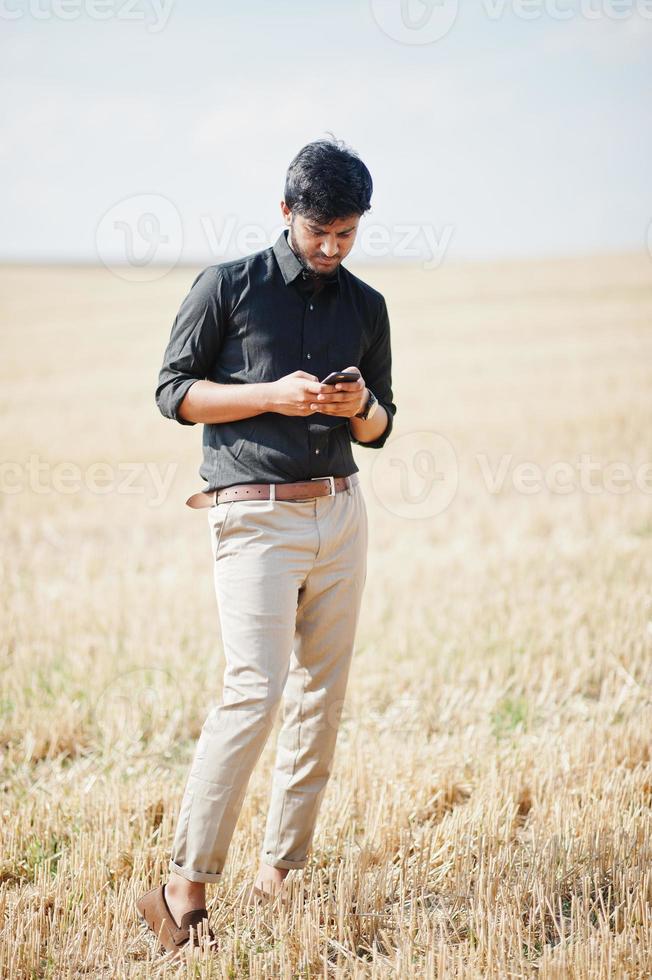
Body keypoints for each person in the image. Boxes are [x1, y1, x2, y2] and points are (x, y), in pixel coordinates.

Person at [136, 135, 397, 957]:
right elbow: (172, 394)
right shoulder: (227, 287)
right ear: (286, 213)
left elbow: (385, 426)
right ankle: (182, 888)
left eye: (347, 235)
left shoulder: (367, 304)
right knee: (254, 693)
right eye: (319, 231)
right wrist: (271, 398)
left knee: (323, 696)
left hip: (341, 513)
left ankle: (282, 873)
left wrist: (357, 407)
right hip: (252, 517)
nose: (331, 248)